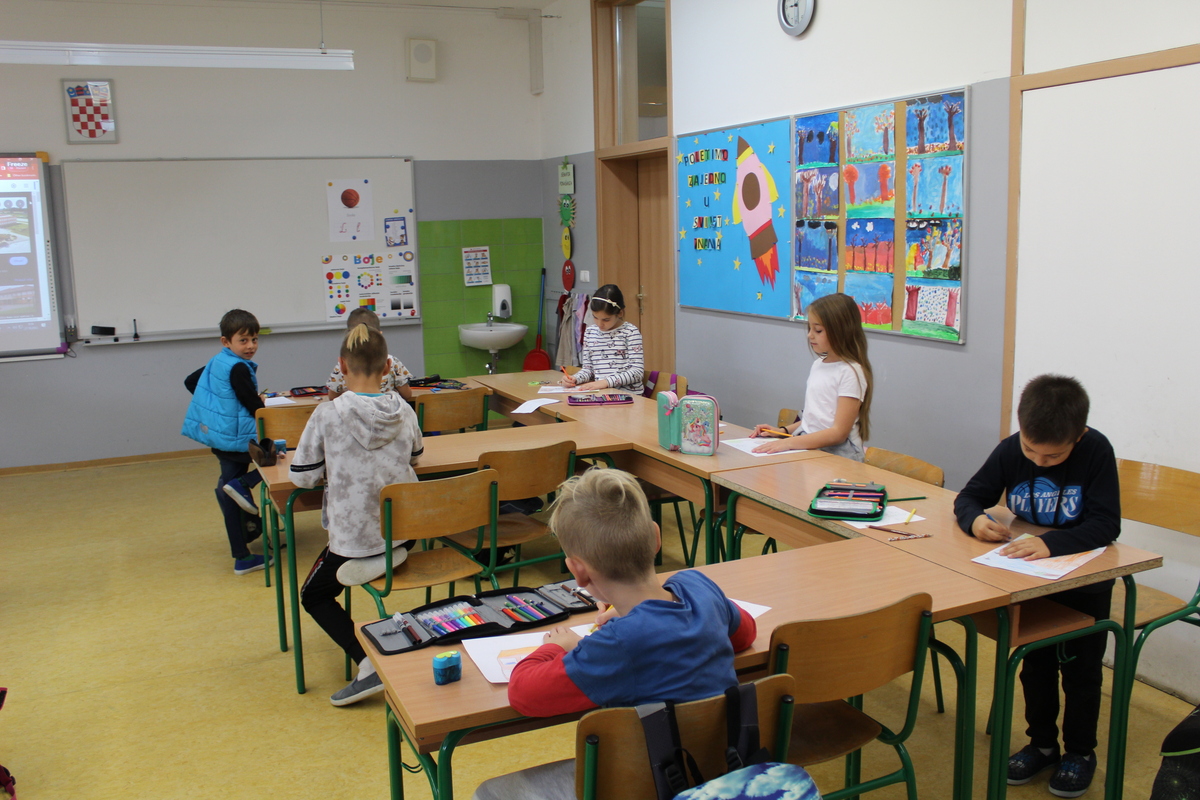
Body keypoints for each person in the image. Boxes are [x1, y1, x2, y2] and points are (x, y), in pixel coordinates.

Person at [472, 468, 757, 800]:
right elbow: (744, 633)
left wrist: (559, 647)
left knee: (490, 792)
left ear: (578, 572)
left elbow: (523, 693)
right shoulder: (698, 588)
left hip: (649, 785)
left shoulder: (617, 644)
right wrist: (639, 616)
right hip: (726, 768)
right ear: (655, 538)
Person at [954, 374, 1120, 798]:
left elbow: (1106, 524)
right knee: (1036, 665)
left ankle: (1080, 752)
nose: (1040, 461)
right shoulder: (1013, 448)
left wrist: (1050, 544)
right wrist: (976, 521)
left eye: (1054, 456)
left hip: (1084, 584)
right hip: (1030, 583)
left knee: (1081, 673)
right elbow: (968, 496)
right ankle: (1042, 744)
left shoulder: (1097, 451)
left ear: (1078, 436)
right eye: (1032, 451)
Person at [289, 323, 423, 707]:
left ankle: (367, 663)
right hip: (402, 532)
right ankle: (387, 557)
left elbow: (303, 478)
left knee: (313, 595)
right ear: (388, 368)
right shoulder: (405, 410)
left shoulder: (326, 414)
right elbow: (416, 458)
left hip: (354, 539)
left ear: (342, 366)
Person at [181, 308, 269, 575]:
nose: (250, 346)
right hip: (237, 441)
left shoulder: (219, 360)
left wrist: (220, 406)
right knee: (278, 458)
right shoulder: (238, 367)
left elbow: (191, 382)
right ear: (226, 341)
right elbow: (252, 405)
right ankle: (242, 556)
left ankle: (249, 535)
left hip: (222, 438)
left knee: (227, 491)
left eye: (254, 339)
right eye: (243, 340)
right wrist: (262, 406)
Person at [751, 292, 872, 460]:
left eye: (818, 330)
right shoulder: (818, 365)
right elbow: (813, 421)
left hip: (840, 454)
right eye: (810, 328)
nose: (810, 335)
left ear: (841, 331)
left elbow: (838, 433)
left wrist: (788, 443)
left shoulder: (851, 372)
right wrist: (781, 432)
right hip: (812, 446)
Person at [559, 284, 644, 392]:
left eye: (606, 320)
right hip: (601, 393)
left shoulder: (630, 332)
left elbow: (637, 372)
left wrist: (604, 382)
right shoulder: (590, 332)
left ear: (620, 313)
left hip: (627, 395)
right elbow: (588, 370)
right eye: (595, 317)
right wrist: (575, 378)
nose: (599, 324)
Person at [326, 307, 414, 401]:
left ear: (349, 337)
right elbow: (407, 394)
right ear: (380, 334)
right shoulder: (393, 362)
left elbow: (332, 397)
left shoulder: (343, 365)